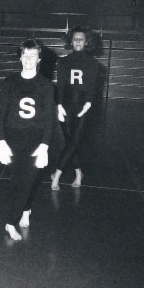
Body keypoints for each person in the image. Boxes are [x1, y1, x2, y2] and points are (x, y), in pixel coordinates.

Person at [0, 39, 55, 241]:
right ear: (20, 57)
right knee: (16, 182)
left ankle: (10, 223)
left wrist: (45, 146)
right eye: (25, 55)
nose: (29, 59)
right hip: (12, 137)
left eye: (33, 55)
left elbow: (49, 119)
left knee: (27, 182)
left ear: (39, 59)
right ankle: (26, 208)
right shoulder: (10, 82)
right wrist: (1, 142)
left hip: (35, 139)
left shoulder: (46, 85)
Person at [50, 26, 98, 190]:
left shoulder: (92, 63)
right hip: (66, 106)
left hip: (83, 106)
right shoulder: (63, 62)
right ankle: (79, 173)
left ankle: (56, 175)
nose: (78, 41)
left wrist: (88, 105)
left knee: (74, 141)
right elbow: (60, 85)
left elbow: (92, 86)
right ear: (71, 41)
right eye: (75, 38)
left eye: (81, 38)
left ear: (86, 42)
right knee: (71, 142)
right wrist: (59, 106)